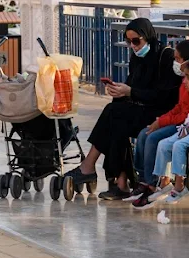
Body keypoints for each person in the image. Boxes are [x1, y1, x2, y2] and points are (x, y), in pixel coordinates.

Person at [67, 18, 179, 200]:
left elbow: (164, 97)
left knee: (114, 114)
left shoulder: (165, 57)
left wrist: (131, 92)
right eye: (129, 42)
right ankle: (118, 181)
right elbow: (132, 86)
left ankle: (99, 171)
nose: (134, 46)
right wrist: (119, 90)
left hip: (160, 113)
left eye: (137, 41)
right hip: (141, 109)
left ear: (148, 36)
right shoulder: (137, 58)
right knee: (115, 114)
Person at [130, 40, 189, 208]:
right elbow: (179, 107)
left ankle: (153, 183)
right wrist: (160, 120)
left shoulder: (188, 82)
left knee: (153, 138)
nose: (175, 63)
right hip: (179, 121)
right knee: (144, 133)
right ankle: (143, 178)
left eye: (177, 59)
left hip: (182, 124)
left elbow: (184, 114)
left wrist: (162, 122)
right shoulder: (184, 82)